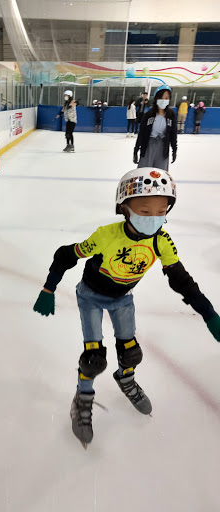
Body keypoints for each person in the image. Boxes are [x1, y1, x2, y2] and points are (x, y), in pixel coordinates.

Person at [33, 167, 220, 448]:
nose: (154, 219)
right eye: (145, 211)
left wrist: (208, 313)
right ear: (124, 208)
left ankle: (125, 379)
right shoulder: (106, 235)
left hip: (122, 298)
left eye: (161, 211)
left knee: (130, 352)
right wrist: (49, 288)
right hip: (91, 296)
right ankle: (82, 399)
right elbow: (66, 254)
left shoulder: (160, 241)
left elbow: (181, 279)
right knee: (93, 358)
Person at [134, 85, 177, 172]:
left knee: (159, 174)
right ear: (156, 98)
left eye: (166, 98)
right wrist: (136, 149)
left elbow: (173, 134)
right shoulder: (149, 115)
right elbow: (141, 133)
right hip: (148, 146)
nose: (164, 100)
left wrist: (174, 150)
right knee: (144, 172)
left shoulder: (171, 115)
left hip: (163, 147)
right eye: (161, 98)